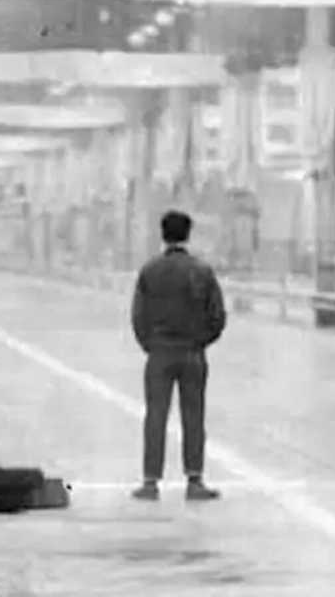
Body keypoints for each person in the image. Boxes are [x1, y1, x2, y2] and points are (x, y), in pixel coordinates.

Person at [130, 210, 225, 503]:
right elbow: (217, 316)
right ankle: (195, 480)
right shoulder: (202, 271)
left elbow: (138, 316)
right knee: (193, 416)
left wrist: (151, 344)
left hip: (159, 353)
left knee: (156, 415)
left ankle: (150, 482)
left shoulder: (149, 271)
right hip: (192, 354)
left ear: (163, 235)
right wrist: (199, 342)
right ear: (188, 235)